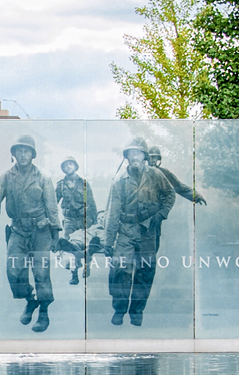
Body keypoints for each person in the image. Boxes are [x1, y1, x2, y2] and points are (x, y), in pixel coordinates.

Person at [0, 135, 61, 332]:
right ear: (14, 154)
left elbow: (52, 207)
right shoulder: (5, 177)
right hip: (17, 230)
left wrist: (56, 233)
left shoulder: (44, 177)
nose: (23, 155)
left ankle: (43, 313)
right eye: (19, 151)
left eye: (27, 151)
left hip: (41, 231)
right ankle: (30, 299)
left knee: (41, 272)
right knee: (14, 271)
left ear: (33, 155)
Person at [101, 138, 177, 326]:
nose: (134, 157)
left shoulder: (156, 175)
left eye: (138, 153)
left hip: (148, 232)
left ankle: (136, 311)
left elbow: (170, 194)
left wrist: (161, 215)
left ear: (144, 156)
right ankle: (119, 310)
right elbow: (112, 212)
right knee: (120, 271)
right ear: (126, 157)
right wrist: (108, 242)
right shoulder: (119, 180)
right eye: (131, 154)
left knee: (145, 272)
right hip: (125, 231)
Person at [53, 157, 97, 285]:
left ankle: (87, 266)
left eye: (70, 164)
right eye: (66, 165)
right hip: (69, 220)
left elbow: (90, 201)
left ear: (75, 166)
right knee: (69, 246)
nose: (68, 166)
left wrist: (93, 220)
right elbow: (53, 202)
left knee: (86, 243)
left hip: (83, 219)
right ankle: (73, 273)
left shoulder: (82, 183)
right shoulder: (61, 185)